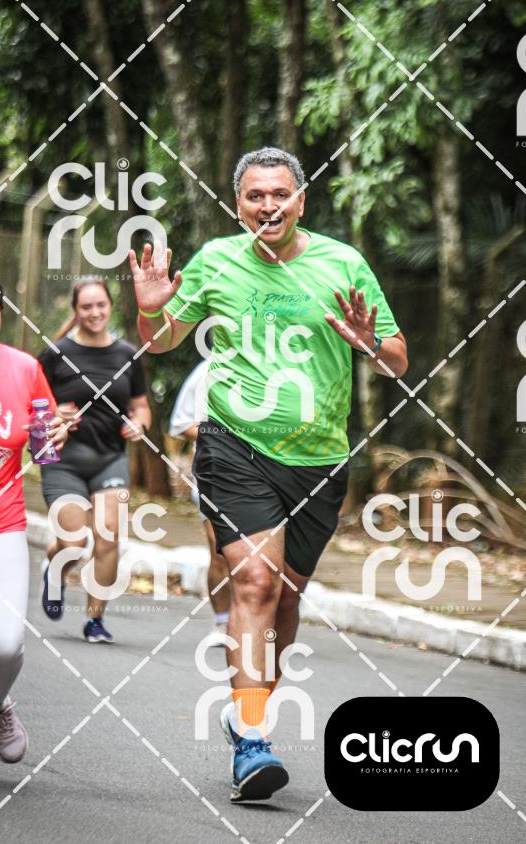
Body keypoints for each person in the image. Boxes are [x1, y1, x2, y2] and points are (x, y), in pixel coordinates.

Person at [130, 147, 408, 803]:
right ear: (239, 204)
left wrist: (369, 342)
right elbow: (163, 339)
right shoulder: (216, 262)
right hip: (234, 446)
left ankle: (244, 713)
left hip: (319, 459)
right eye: (255, 195)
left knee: (285, 599)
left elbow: (396, 360)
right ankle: (253, 743)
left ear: (301, 201)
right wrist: (148, 309)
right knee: (255, 582)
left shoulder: (343, 264)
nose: (268, 205)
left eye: (280, 193)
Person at [0, 271, 67, 786]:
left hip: (0, 518)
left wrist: (58, 435)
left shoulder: (25, 369)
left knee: (3, 644)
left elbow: (46, 449)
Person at [38, 278, 151, 644]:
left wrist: (139, 424)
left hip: (110, 459)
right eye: (86, 306)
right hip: (63, 461)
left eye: (100, 305)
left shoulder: (127, 354)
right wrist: (54, 414)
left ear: (110, 306)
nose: (94, 312)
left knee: (108, 536)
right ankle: (55, 569)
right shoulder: (54, 354)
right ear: (76, 310)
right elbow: (30, 405)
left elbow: (141, 406)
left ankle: (94, 619)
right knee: (73, 542)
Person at [169, 359, 230, 645]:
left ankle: (251, 620)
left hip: (266, 477)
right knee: (220, 551)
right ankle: (222, 622)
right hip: (215, 474)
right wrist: (226, 436)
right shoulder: (208, 370)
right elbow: (181, 424)